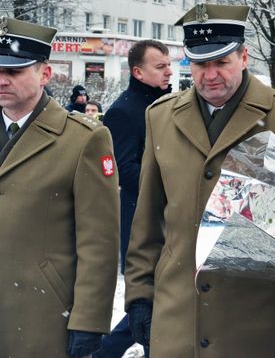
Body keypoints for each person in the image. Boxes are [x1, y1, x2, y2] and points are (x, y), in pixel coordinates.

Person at [124, 4, 275, 358]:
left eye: (221, 62)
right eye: (201, 64)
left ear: (244, 56)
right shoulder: (161, 117)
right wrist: (140, 295)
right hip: (177, 318)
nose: (210, 74)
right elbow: (148, 220)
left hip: (254, 321)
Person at [0, 17, 119, 357]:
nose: (2, 80)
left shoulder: (82, 140)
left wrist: (89, 321)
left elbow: (99, 242)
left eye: (15, 71)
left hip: (43, 313)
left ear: (44, 74)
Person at [95, 40, 173, 358]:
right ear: (138, 72)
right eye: (161, 66)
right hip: (140, 218)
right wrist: (173, 178)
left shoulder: (167, 105)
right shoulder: (123, 111)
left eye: (170, 64)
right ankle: (105, 352)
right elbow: (123, 169)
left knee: (162, 295)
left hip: (169, 215)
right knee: (150, 296)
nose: (169, 71)